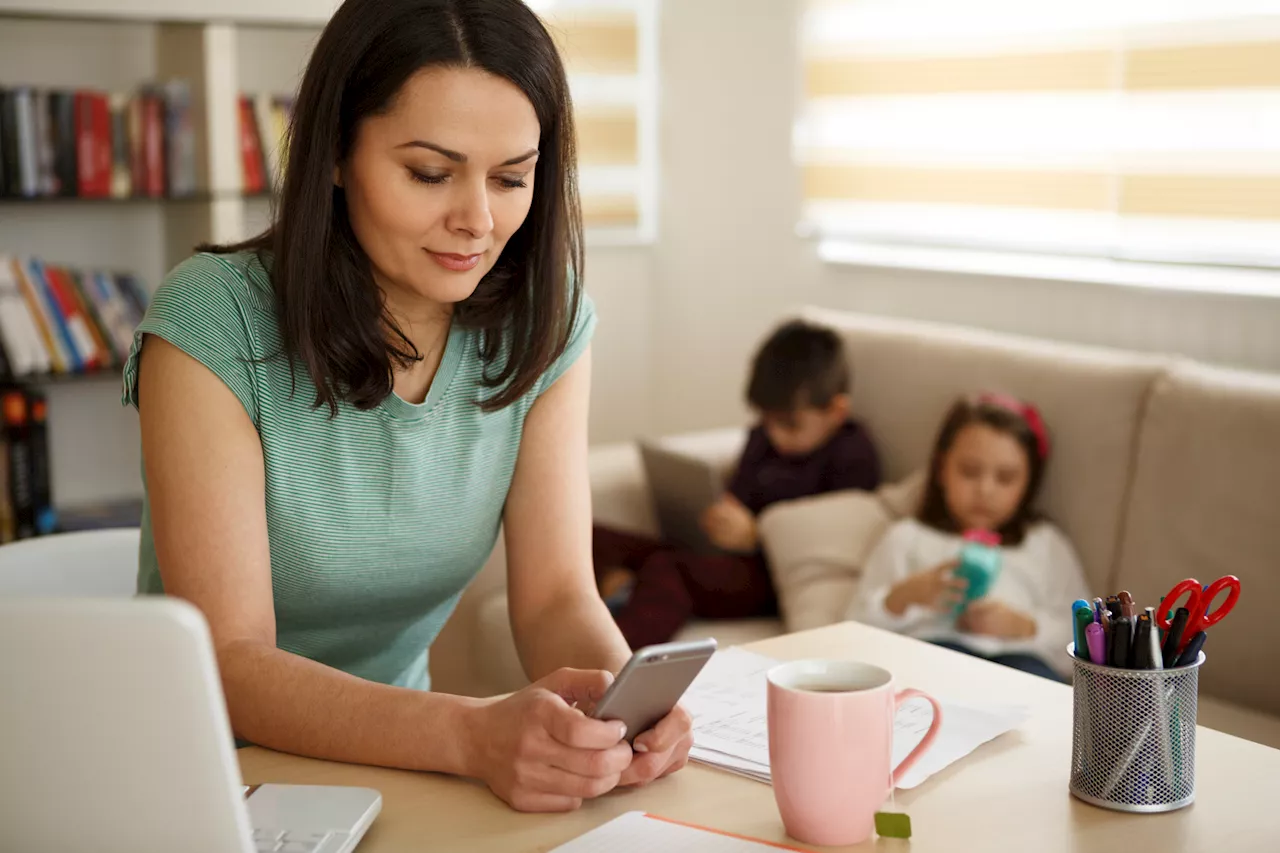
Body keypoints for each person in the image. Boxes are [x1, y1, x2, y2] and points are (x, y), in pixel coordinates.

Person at [124, 0, 690, 814]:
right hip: (201, 767)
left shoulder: (547, 319)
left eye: (511, 177)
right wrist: (470, 733)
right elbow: (231, 659)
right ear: (336, 155)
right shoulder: (212, 321)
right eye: (430, 173)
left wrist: (622, 707)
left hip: (400, 772)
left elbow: (556, 597)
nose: (478, 221)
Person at [596, 320, 881, 648]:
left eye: (790, 425)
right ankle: (626, 590)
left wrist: (758, 536)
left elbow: (835, 541)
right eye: (767, 420)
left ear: (836, 410)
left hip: (771, 576)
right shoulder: (762, 439)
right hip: (724, 556)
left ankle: (613, 662)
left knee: (666, 569)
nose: (774, 434)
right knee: (592, 536)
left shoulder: (852, 453)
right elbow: (740, 493)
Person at [849, 393, 1089, 681]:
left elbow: (1085, 635)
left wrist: (1023, 627)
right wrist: (905, 596)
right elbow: (853, 628)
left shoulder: (1044, 544)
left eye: (1005, 478)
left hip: (1022, 662)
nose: (985, 490)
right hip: (935, 652)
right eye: (969, 471)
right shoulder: (908, 537)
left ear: (1029, 482)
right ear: (941, 469)